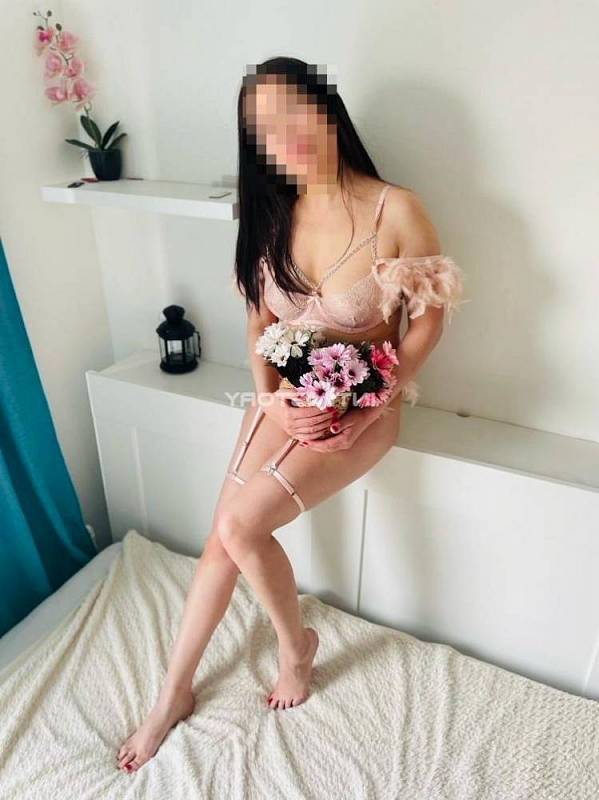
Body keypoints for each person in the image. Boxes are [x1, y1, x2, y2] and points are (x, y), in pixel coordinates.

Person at [116, 56, 466, 773]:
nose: (287, 136)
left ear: (326, 109)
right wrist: (271, 395)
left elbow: (426, 326)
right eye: (264, 129)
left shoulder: (395, 210)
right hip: (283, 402)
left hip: (363, 409)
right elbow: (258, 325)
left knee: (241, 526)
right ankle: (173, 693)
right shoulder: (269, 214)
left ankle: (295, 647)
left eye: (295, 111)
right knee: (223, 538)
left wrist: (372, 405)